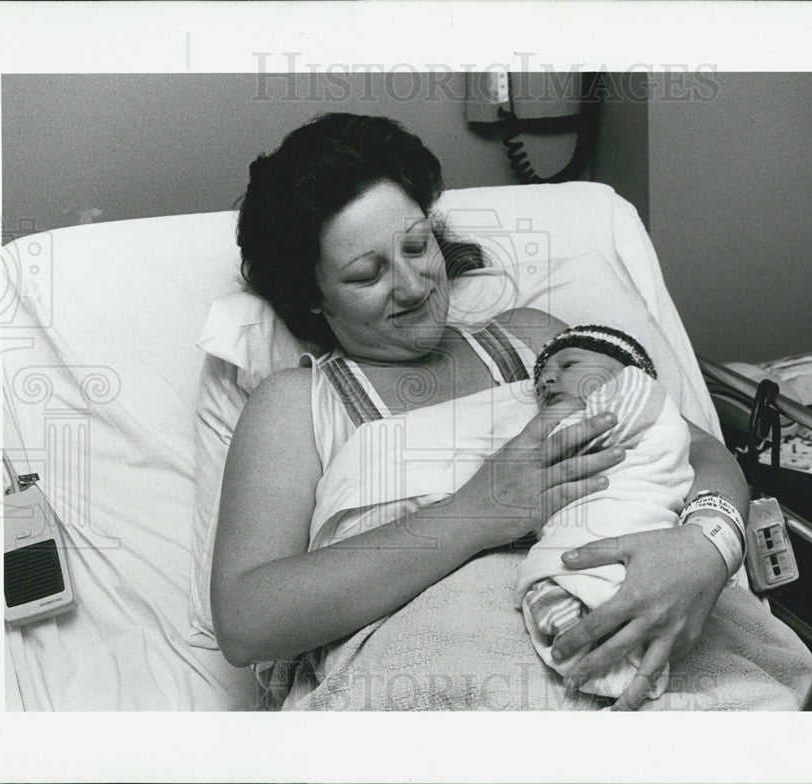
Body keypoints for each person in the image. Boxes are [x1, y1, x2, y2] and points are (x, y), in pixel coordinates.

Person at [210, 113, 751, 710]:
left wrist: (709, 543)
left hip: (639, 634)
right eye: (367, 274)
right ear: (311, 295)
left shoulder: (535, 346)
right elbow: (246, 620)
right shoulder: (297, 405)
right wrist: (477, 511)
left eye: (418, 247)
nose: (414, 285)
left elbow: (690, 446)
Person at [517, 324, 746, 702]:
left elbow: (698, 447)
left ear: (625, 371)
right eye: (541, 385)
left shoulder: (635, 394)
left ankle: (608, 640)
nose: (548, 381)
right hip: (577, 523)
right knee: (562, 566)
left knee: (610, 574)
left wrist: (714, 542)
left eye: (568, 365)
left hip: (637, 512)